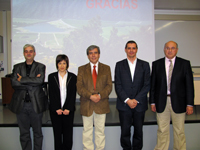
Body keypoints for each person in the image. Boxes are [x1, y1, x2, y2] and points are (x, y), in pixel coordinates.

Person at [149, 41, 194, 150]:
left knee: (179, 131)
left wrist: (190, 104)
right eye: (167, 48)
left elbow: (189, 86)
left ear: (177, 50)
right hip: (161, 102)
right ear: (164, 49)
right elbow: (153, 84)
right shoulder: (157, 64)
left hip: (180, 102)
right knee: (162, 130)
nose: (170, 50)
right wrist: (152, 102)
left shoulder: (185, 64)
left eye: (172, 48)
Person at [9, 44, 48, 150]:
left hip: (35, 104)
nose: (29, 53)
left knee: (37, 133)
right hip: (21, 105)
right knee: (24, 133)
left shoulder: (41, 66)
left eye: (31, 51)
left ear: (34, 53)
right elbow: (14, 84)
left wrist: (22, 79)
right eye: (26, 51)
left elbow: (39, 82)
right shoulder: (17, 67)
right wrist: (33, 80)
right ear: (23, 54)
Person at [114, 40, 150, 150]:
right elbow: (118, 85)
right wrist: (127, 100)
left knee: (138, 131)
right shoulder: (119, 65)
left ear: (137, 50)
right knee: (125, 131)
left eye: (133, 48)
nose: (131, 50)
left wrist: (136, 100)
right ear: (125, 50)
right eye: (129, 48)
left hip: (139, 105)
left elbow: (147, 85)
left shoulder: (145, 65)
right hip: (124, 105)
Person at [76, 45, 112, 150]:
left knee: (100, 131)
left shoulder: (106, 68)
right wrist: (90, 96)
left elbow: (109, 86)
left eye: (95, 53)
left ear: (99, 54)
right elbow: (79, 87)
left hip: (101, 104)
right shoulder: (81, 69)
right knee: (87, 131)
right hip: (87, 104)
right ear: (87, 55)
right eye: (91, 53)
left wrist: (99, 95)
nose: (93, 55)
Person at [48, 54, 77, 150]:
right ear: (57, 64)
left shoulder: (72, 77)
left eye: (64, 63)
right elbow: (51, 94)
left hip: (68, 111)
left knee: (68, 136)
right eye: (60, 63)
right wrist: (56, 108)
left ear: (67, 64)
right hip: (56, 111)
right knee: (57, 135)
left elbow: (72, 94)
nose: (62, 66)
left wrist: (68, 108)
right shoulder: (51, 77)